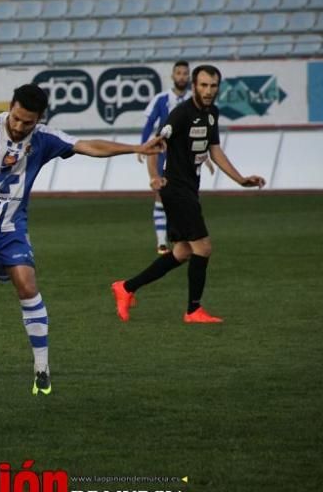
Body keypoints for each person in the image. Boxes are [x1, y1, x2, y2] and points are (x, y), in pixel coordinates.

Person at [0, 84, 164, 396]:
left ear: (40, 119)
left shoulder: (46, 139)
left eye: (28, 122)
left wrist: (136, 148)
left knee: (27, 285)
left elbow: (89, 146)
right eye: (16, 118)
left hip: (11, 225)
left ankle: (41, 368)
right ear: (10, 107)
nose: (20, 126)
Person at [112, 65, 266, 324]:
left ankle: (126, 288)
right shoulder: (181, 114)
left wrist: (240, 179)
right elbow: (157, 142)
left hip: (190, 189)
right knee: (203, 248)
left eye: (213, 86)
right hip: (176, 190)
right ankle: (193, 310)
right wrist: (153, 176)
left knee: (183, 252)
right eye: (203, 85)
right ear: (194, 86)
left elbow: (215, 149)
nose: (208, 91)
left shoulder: (212, 113)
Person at [140, 61, 191, 255]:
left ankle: (182, 238)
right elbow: (149, 124)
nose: (182, 77)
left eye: (185, 73)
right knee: (160, 191)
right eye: (178, 73)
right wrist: (142, 146)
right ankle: (162, 242)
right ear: (172, 76)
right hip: (163, 151)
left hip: (186, 154)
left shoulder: (193, 100)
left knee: (185, 194)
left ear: (189, 76)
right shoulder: (161, 99)